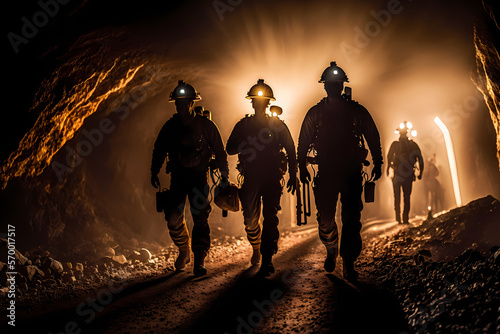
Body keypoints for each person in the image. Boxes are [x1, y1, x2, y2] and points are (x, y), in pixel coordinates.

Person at [297, 62, 383, 281]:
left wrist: (378, 161)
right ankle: (331, 248)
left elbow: (372, 136)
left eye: (337, 84)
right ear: (325, 87)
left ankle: (348, 263)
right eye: (330, 84)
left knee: (351, 219)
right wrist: (302, 167)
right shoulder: (315, 113)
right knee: (325, 217)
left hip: (351, 172)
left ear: (342, 86)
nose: (333, 88)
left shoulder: (357, 112)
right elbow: (304, 141)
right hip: (326, 172)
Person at [150, 80, 229, 277]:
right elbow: (159, 149)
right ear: (175, 104)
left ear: (192, 103)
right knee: (173, 219)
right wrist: (154, 171)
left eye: (185, 102)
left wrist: (225, 174)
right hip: (178, 178)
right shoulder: (170, 127)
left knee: (200, 219)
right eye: (178, 102)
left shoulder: (206, 125)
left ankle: (199, 259)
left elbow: (219, 150)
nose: (182, 106)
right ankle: (184, 250)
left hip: (199, 178)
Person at [226, 79, 297, 277]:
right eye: (256, 102)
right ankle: (256, 246)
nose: (259, 104)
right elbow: (229, 148)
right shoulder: (244, 125)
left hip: (272, 176)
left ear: (268, 104)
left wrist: (293, 175)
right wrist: (244, 145)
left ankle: (266, 258)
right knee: (250, 217)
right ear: (252, 103)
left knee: (270, 217)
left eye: (263, 101)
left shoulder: (278, 126)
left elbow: (291, 150)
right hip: (251, 176)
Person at [386, 121, 424, 224]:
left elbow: (389, 157)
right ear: (407, 133)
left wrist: (388, 169)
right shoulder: (413, 145)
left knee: (396, 196)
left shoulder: (395, 145)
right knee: (406, 197)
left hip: (397, 174)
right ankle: (405, 218)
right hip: (408, 175)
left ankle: (398, 218)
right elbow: (420, 159)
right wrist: (420, 172)